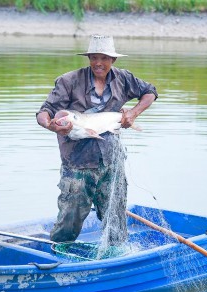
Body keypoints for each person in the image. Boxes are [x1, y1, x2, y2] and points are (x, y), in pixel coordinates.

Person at [36, 35, 158, 245]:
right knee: (69, 220)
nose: (98, 63)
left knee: (116, 217)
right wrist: (51, 125)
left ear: (113, 60)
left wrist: (133, 114)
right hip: (78, 165)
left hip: (112, 162)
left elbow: (150, 92)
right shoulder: (69, 81)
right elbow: (44, 112)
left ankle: (116, 257)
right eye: (94, 57)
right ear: (89, 58)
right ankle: (60, 256)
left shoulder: (123, 79)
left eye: (104, 58)